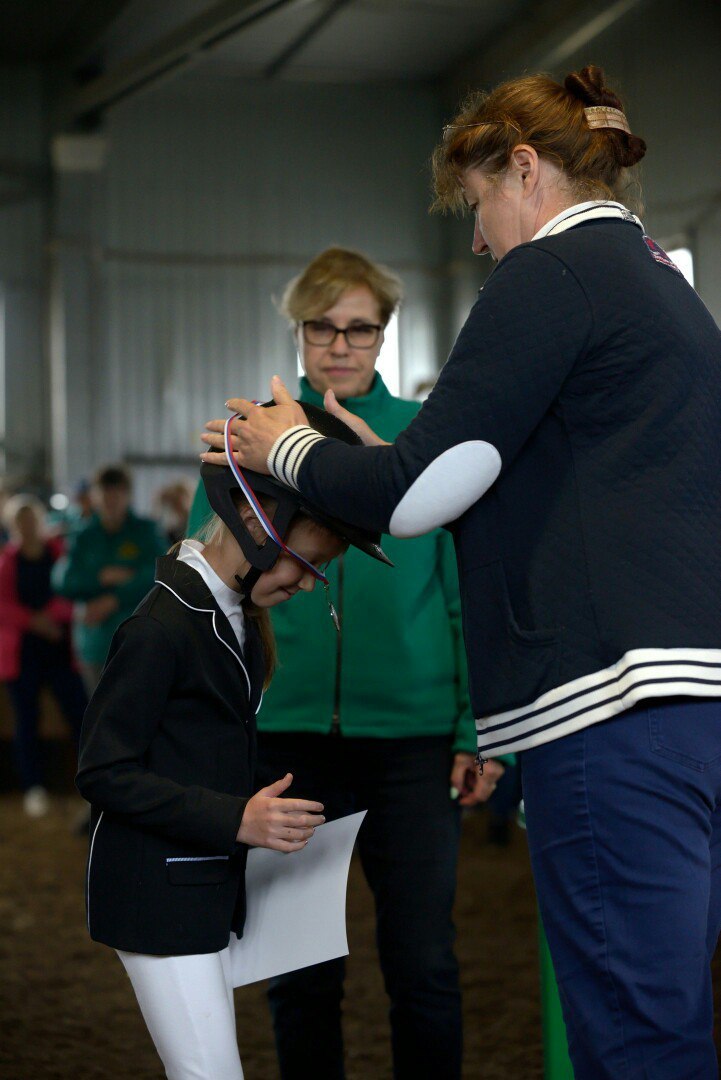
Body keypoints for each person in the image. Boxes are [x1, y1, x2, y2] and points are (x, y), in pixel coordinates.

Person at [202, 66, 721, 1079]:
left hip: (613, 712)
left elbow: (419, 489)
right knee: (668, 1016)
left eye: (479, 205)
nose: (478, 240)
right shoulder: (664, 288)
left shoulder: (553, 272)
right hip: (689, 705)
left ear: (524, 170)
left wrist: (285, 448)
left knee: (635, 1038)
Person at [189, 246, 505, 1080]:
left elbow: (463, 590)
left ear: (382, 334)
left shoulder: (422, 437)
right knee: (297, 972)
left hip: (413, 739)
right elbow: (207, 586)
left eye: (358, 328)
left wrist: (478, 726)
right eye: (321, 326)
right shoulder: (243, 436)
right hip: (287, 741)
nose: (339, 343)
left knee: (423, 964)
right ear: (297, 330)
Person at [76, 405, 386, 1080]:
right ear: (256, 522)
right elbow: (102, 771)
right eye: (307, 562)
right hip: (156, 900)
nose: (307, 582)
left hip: (201, 890)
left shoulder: (234, 617)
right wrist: (235, 818)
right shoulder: (160, 628)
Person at [0, 495, 88, 817]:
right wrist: (34, 621)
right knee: (27, 720)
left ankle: (89, 784)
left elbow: (70, 590)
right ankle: (33, 787)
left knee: (79, 714)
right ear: (12, 526)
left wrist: (51, 616)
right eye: (19, 520)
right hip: (24, 652)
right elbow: (4, 604)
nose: (25, 526)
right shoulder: (8, 561)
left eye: (30, 518)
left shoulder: (58, 553)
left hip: (60, 649)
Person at [52, 464, 167, 696]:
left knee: (138, 713)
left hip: (137, 641)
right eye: (104, 494)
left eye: (117, 494)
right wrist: (101, 577)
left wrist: (114, 600)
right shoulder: (83, 535)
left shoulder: (146, 532)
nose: (110, 501)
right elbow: (64, 581)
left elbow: (159, 575)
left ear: (128, 495)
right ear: (94, 496)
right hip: (94, 642)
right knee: (99, 716)